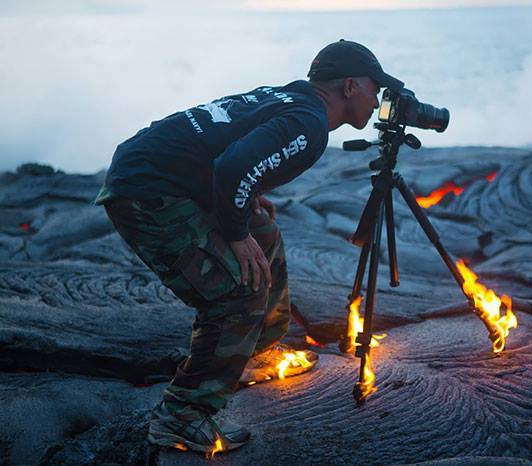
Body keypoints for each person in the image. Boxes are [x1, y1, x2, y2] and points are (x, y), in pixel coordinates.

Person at [94, 39, 403, 453]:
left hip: (160, 172)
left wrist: (245, 199)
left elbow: (229, 146)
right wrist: (235, 234)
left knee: (265, 234)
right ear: (350, 86)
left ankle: (255, 352)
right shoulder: (309, 124)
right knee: (238, 292)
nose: (377, 97)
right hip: (147, 192)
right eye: (374, 87)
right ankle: (182, 416)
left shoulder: (291, 95)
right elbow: (233, 165)